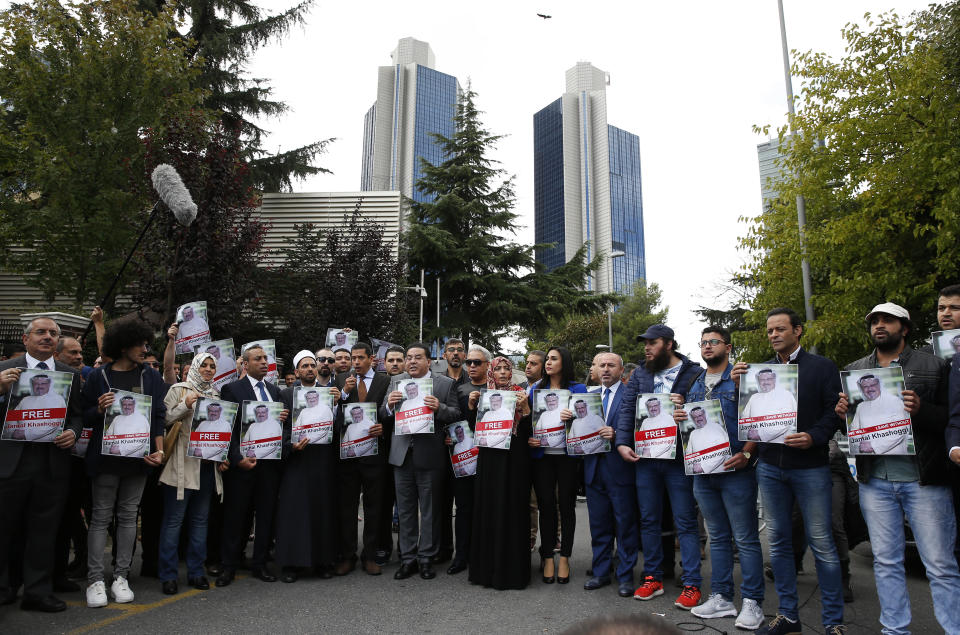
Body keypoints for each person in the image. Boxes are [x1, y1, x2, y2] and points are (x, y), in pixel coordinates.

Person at [838, 302, 959, 634]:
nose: (879, 325)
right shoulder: (855, 369)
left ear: (904, 328)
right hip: (874, 480)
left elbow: (952, 420)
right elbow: (856, 428)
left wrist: (921, 409)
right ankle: (894, 629)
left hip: (924, 481)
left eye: (887, 321)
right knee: (886, 563)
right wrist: (843, 414)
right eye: (874, 321)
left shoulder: (934, 365)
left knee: (940, 565)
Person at [733, 308, 845, 635]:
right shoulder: (758, 373)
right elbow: (750, 419)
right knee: (779, 543)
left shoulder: (822, 367)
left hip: (811, 467)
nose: (773, 335)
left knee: (822, 543)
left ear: (798, 331)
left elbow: (834, 414)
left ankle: (833, 622)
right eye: (769, 331)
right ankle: (788, 616)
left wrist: (813, 437)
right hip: (769, 466)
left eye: (780, 329)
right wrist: (739, 387)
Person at [672, 327, 764, 629]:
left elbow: (758, 420)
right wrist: (679, 417)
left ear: (728, 347)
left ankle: (752, 602)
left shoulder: (740, 378)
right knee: (719, 537)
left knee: (746, 538)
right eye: (703, 342)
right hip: (703, 472)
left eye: (713, 342)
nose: (707, 346)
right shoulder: (695, 383)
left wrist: (748, 454)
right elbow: (690, 424)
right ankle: (722, 597)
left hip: (735, 469)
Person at [614, 324, 703, 609]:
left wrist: (686, 404)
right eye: (645, 343)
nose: (647, 348)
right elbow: (628, 409)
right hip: (647, 458)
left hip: (679, 459)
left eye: (652, 343)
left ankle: (692, 583)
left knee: (685, 521)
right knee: (649, 520)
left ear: (669, 344)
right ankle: (652, 577)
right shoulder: (641, 373)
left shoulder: (693, 372)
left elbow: (707, 408)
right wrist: (622, 443)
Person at [80, 320, 166, 609]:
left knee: (129, 516)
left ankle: (120, 576)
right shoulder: (98, 376)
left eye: (146, 344)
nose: (145, 349)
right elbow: (84, 415)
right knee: (101, 517)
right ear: (123, 345)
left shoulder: (149, 377)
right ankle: (95, 579)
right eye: (141, 344)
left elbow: (158, 415)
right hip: (105, 461)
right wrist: (99, 409)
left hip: (138, 461)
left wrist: (159, 451)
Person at [0, 317, 82, 612]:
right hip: (11, 463)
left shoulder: (69, 374)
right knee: (5, 528)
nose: (47, 337)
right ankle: (4, 587)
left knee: (43, 531)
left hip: (51, 464)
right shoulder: (3, 370)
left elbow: (76, 415)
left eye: (52, 333)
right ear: (26, 339)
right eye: (41, 332)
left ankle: (37, 591)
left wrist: (73, 431)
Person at [381, 343, 461, 580]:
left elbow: (456, 414)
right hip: (402, 455)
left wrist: (439, 408)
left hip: (430, 455)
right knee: (405, 511)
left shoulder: (444, 384)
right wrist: (388, 405)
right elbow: (383, 414)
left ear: (430, 361)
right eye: (409, 358)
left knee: (429, 511)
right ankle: (408, 559)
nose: (412, 361)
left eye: (418, 357)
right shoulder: (396, 382)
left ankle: (426, 558)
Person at [216, 344, 288, 586]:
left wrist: (283, 419)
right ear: (245, 364)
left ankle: (259, 564)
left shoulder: (275, 391)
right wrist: (237, 459)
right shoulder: (232, 389)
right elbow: (228, 428)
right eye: (258, 358)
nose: (264, 362)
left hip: (269, 465)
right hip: (243, 466)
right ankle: (229, 565)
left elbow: (280, 428)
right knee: (236, 517)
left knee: (266, 516)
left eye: (265, 358)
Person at [157, 353, 227, 595]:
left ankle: (196, 572)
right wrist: (185, 405)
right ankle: (168, 575)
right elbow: (163, 419)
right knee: (174, 521)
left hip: (207, 466)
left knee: (200, 521)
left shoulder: (216, 394)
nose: (208, 369)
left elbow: (220, 430)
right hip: (181, 465)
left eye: (212, 366)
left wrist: (222, 454)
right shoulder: (178, 389)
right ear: (195, 367)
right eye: (204, 365)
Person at [469, 351, 533, 589]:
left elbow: (529, 431)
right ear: (491, 372)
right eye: (498, 369)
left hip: (515, 459)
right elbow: (471, 428)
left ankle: (512, 571)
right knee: (489, 507)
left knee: (513, 507)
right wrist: (471, 405)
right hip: (489, 458)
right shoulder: (484, 396)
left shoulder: (521, 395)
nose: (503, 373)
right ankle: (486, 570)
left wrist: (525, 409)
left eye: (507, 369)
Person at [275, 350, 338, 584]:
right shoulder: (286, 394)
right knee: (295, 513)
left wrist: (337, 405)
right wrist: (291, 443)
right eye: (305, 366)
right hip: (297, 461)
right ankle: (292, 563)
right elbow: (279, 430)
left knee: (322, 510)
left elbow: (338, 427)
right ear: (296, 371)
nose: (310, 369)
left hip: (322, 460)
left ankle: (323, 562)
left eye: (313, 364)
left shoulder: (329, 394)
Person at [581, 352, 638, 598]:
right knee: (599, 525)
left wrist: (619, 435)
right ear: (595, 368)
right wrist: (568, 420)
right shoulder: (585, 398)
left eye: (611, 365)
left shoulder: (632, 396)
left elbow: (642, 430)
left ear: (621, 370)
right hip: (593, 470)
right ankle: (601, 572)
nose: (605, 369)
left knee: (625, 525)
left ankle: (625, 576)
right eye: (601, 365)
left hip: (620, 469)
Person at [529, 346, 586, 585]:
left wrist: (573, 417)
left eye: (554, 359)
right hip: (542, 456)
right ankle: (548, 556)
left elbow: (588, 420)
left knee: (566, 506)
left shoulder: (578, 389)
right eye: (548, 359)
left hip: (567, 456)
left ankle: (565, 557)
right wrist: (529, 438)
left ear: (565, 362)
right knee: (547, 506)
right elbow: (526, 422)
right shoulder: (535, 389)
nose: (548, 362)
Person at [334, 343, 391, 576]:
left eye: (360, 358)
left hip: (374, 454)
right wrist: (345, 394)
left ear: (371, 359)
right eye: (352, 358)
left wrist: (383, 428)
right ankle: (348, 556)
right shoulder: (340, 381)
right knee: (347, 507)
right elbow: (333, 416)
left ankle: (370, 555)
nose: (355, 362)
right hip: (348, 457)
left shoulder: (385, 381)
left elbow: (392, 413)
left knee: (374, 507)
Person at [847, 374, 910, 454]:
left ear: (879, 385)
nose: (869, 389)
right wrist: (860, 446)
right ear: (862, 389)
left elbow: (900, 430)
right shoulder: (861, 407)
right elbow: (854, 431)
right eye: (865, 387)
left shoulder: (894, 401)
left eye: (872, 385)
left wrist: (873, 446)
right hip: (868, 458)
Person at [742, 368, 797, 443]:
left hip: (780, 445)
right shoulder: (754, 397)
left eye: (769, 379)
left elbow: (786, 421)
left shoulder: (785, 395)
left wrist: (760, 434)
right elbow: (745, 417)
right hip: (755, 443)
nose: (765, 382)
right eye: (762, 380)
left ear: (774, 380)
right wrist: (748, 432)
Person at [8, 373, 68, 442]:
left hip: (45, 446)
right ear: (32, 385)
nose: (39, 386)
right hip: (19, 443)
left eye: (43, 383)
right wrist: (13, 431)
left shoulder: (58, 399)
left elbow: (52, 424)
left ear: (49, 385)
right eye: (36, 383)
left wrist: (26, 434)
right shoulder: (25, 399)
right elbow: (12, 418)